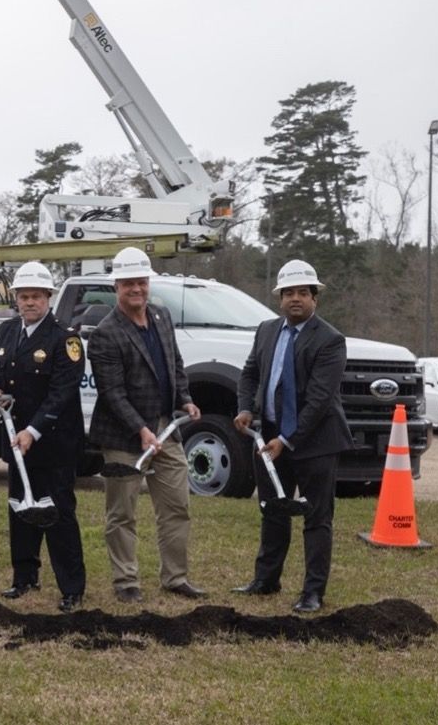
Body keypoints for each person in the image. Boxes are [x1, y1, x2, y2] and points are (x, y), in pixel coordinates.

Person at [233, 260, 353, 614]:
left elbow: (318, 401)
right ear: (279, 298)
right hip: (270, 438)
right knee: (272, 509)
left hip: (314, 443)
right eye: (289, 293)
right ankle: (265, 580)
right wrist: (245, 408)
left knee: (316, 517)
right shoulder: (266, 331)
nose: (295, 299)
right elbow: (250, 373)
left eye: (303, 292)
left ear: (315, 298)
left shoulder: (330, 340)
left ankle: (312, 592)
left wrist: (286, 440)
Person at [88, 246, 205, 604]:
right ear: (116, 287)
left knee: (176, 506)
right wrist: (140, 429)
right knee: (122, 513)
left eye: (141, 282)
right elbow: (112, 392)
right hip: (125, 436)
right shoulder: (105, 334)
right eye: (128, 284)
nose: (136, 289)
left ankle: (176, 577)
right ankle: (126, 581)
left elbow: (175, 363)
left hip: (167, 430)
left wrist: (184, 398)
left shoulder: (162, 317)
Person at [0, 262, 87, 613]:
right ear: (16, 298)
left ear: (49, 297)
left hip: (54, 443)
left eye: (36, 296)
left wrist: (34, 431)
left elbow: (62, 392)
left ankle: (72, 588)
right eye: (23, 296)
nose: (29, 302)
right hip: (17, 442)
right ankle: (24, 577)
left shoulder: (66, 338)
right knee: (19, 508)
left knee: (58, 513)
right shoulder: (6, 331)